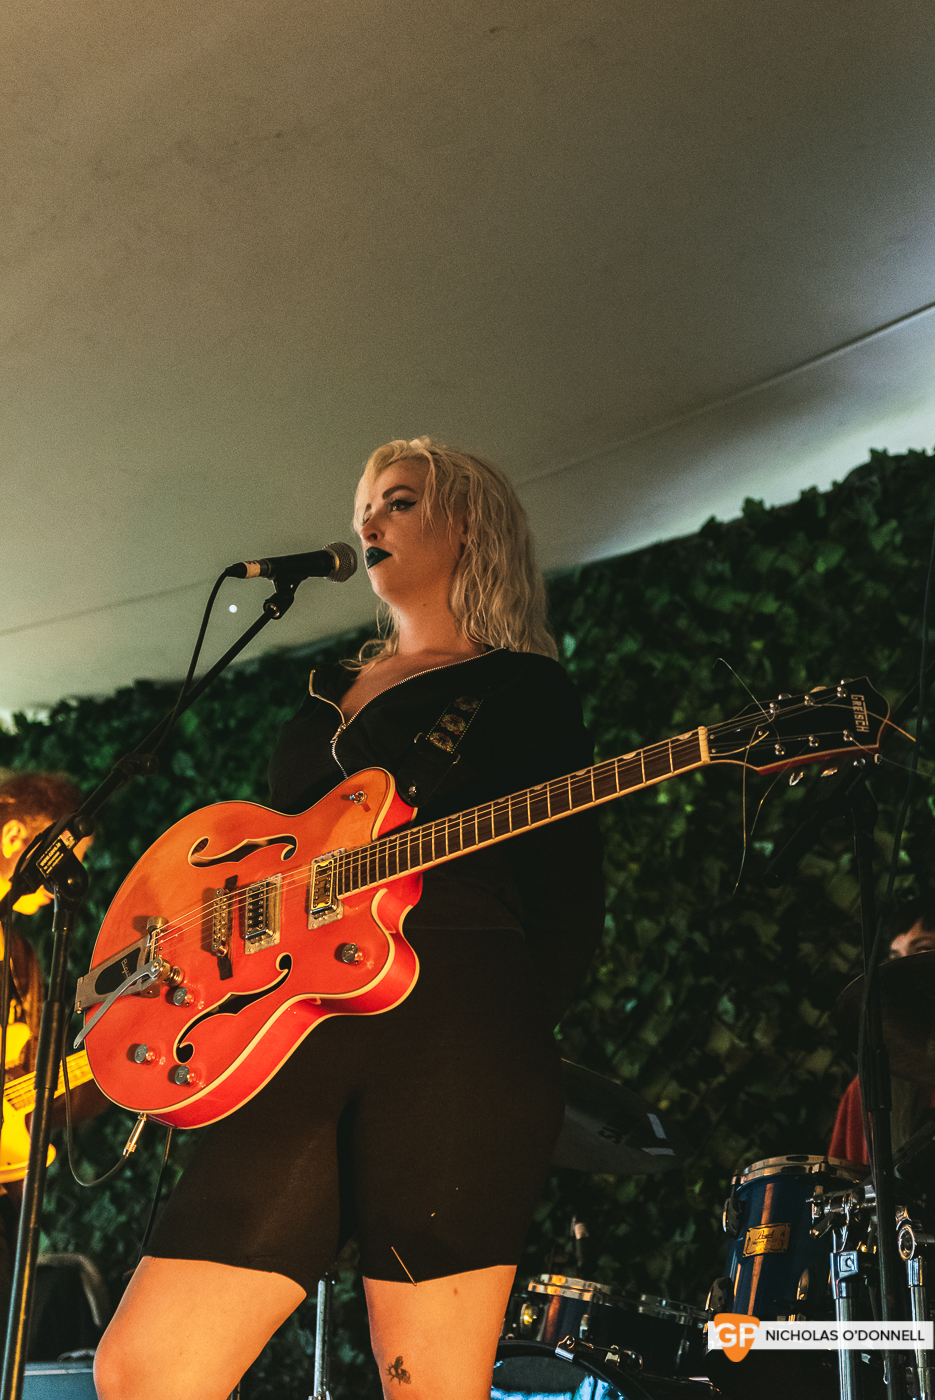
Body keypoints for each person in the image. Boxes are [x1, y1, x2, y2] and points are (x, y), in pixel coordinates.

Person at [94, 438, 606, 1400]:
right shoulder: (325, 692)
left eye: (399, 502)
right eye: (365, 506)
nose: (367, 523)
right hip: (299, 1024)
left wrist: (497, 1035)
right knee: (146, 1369)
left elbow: (569, 901)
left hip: (455, 1025)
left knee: (428, 1382)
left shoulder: (522, 691)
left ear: (467, 526)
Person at [0, 770, 98, 1311]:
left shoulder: (20, 957)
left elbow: (36, 1093)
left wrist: (107, 1067)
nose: (66, 878)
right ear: (15, 838)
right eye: (63, 859)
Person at [829, 900, 935, 1164]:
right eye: (895, 957)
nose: (905, 967)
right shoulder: (870, 1090)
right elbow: (850, 1191)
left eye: (922, 950)